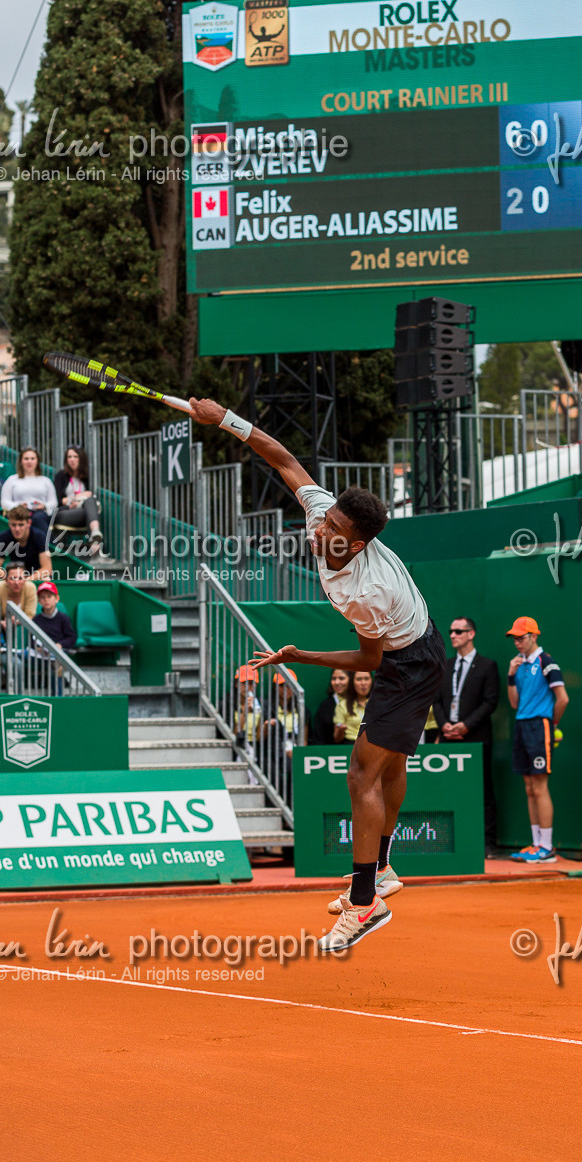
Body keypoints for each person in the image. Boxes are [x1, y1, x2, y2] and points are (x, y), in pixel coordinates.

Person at [186, 391, 446, 952]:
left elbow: (371, 661)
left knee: (361, 774)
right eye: (325, 517)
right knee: (389, 763)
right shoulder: (323, 518)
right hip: (415, 644)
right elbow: (280, 456)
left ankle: (364, 903)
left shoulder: (366, 591)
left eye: (333, 527)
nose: (320, 528)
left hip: (410, 661)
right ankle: (382, 871)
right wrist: (223, 418)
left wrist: (301, 656)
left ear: (356, 543)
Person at [432, 615, 501, 857]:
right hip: (448, 739)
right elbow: (436, 700)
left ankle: (487, 843)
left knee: (483, 791)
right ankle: (451, 843)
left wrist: (465, 726)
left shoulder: (487, 666)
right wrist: (445, 726)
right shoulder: (445, 665)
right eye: (451, 631)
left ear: (471, 634)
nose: (453, 635)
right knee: (449, 791)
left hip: (476, 739)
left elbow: (490, 702)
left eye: (458, 631)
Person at [506, 615, 569, 865]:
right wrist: (511, 675)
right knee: (529, 788)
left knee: (540, 787)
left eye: (521, 638)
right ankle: (536, 844)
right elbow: (514, 703)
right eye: (514, 639)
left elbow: (563, 698)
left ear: (533, 636)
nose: (517, 643)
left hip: (540, 725)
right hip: (522, 724)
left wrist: (553, 724)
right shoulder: (519, 665)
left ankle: (547, 846)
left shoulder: (547, 662)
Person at [52, 445, 104, 555]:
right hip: (64, 512)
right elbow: (56, 501)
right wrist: (76, 498)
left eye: (75, 456)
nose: (72, 459)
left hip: (82, 513)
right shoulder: (61, 476)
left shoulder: (87, 477)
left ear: (81, 459)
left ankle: (95, 534)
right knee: (91, 510)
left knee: (90, 502)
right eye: (69, 457)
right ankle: (96, 545)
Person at [0, 448, 57, 539]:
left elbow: (53, 502)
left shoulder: (46, 481)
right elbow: (4, 502)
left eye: (32, 458)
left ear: (37, 461)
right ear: (21, 461)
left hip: (40, 514)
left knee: (37, 518)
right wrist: (18, 506)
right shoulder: (12, 480)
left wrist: (44, 506)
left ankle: (48, 545)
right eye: (26, 459)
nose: (29, 461)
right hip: (18, 513)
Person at [0, 505, 54, 581]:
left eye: (21, 525)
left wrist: (26, 580)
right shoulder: (4, 537)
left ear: (29, 523)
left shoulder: (39, 536)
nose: (17, 529)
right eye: (13, 525)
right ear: (9, 524)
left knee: (46, 578)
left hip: (35, 578)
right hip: (14, 577)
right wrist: (4, 576)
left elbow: (47, 568)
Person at [311, 669, 351, 744]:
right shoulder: (326, 706)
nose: (337, 682)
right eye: (334, 679)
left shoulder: (361, 703)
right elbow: (319, 736)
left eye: (341, 678)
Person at [33, 580, 77, 650]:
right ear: (39, 601)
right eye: (43, 597)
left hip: (60, 652)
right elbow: (33, 639)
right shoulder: (36, 620)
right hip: (41, 653)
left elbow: (72, 638)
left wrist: (60, 644)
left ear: (57, 599)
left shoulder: (64, 618)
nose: (46, 600)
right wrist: (38, 648)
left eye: (49, 596)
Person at [334, 670, 373, 743]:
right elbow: (337, 738)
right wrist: (341, 730)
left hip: (373, 745)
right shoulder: (343, 705)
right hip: (351, 744)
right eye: (359, 679)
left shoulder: (378, 703)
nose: (363, 683)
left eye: (366, 679)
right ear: (352, 682)